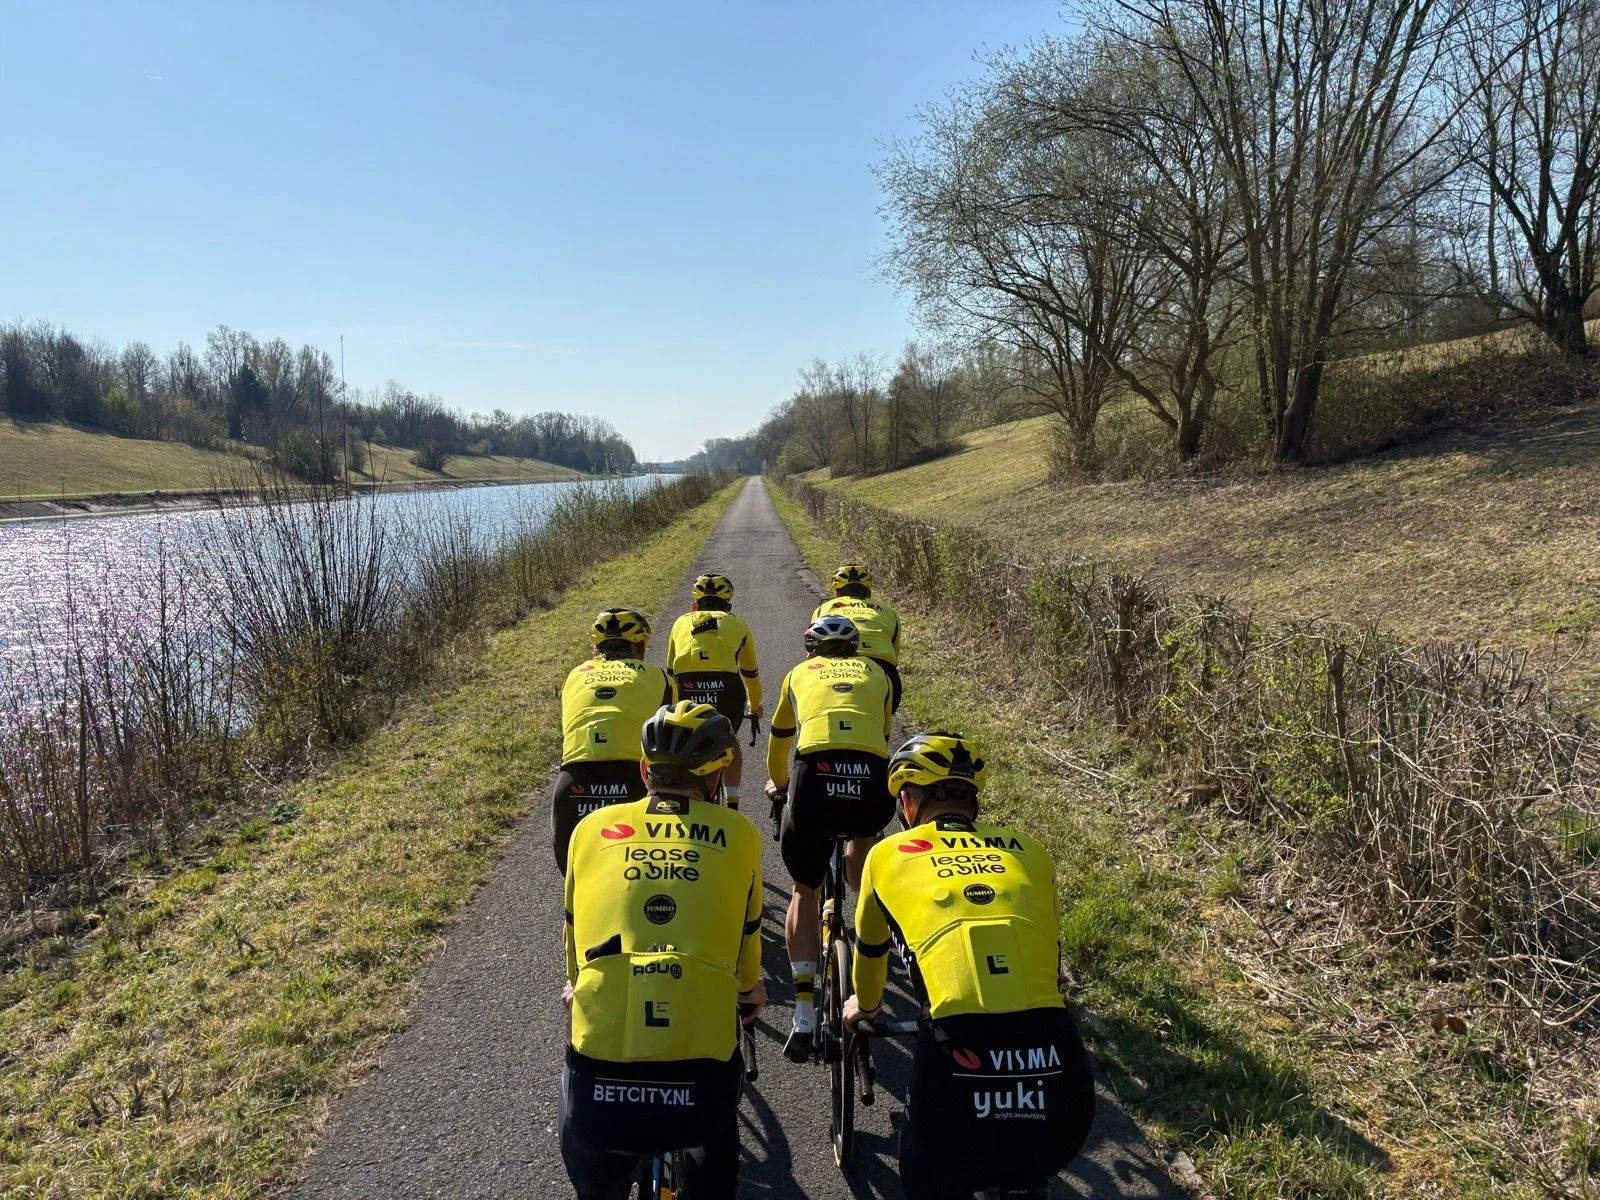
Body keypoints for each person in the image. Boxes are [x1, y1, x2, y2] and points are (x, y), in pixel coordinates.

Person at [843, 733, 1096, 1200]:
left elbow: (871, 952)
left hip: (957, 1076)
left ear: (907, 802)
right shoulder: (1031, 851)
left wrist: (868, 1008)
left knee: (932, 1177)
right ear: (972, 801)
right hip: (1061, 1087)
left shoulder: (885, 855)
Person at [561, 701, 767, 1200]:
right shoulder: (740, 834)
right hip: (698, 1082)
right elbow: (748, 936)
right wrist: (748, 992)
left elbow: (574, 936)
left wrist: (577, 984)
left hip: (600, 1084)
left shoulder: (589, 830)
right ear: (715, 779)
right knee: (712, 1151)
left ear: (643, 771)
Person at [763, 614, 893, 1062]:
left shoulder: (798, 673)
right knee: (863, 843)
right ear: (856, 650)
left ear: (810, 651)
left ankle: (803, 1014)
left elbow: (780, 740)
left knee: (805, 887)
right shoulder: (879, 674)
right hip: (870, 779)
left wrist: (780, 785)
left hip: (814, 779)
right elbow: (882, 732)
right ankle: (861, 908)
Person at [550, 608, 677, 873]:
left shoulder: (574, 676)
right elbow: (671, 734)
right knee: (644, 875)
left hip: (574, 781)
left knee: (577, 885)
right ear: (640, 648)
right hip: (634, 778)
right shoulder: (662, 678)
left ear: (597, 648)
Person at [666, 572, 763, 811]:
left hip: (686, 684)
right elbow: (750, 673)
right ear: (728, 606)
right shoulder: (737, 623)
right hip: (725, 687)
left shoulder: (679, 622)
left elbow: (670, 672)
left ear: (694, 605)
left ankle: (679, 793)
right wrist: (755, 706)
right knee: (728, 738)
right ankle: (732, 802)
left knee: (682, 737)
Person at [811, 562, 903, 712]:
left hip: (835, 665)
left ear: (836, 591)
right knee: (880, 724)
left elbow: (813, 648)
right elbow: (894, 654)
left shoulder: (824, 608)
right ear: (868, 590)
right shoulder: (889, 611)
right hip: (883, 670)